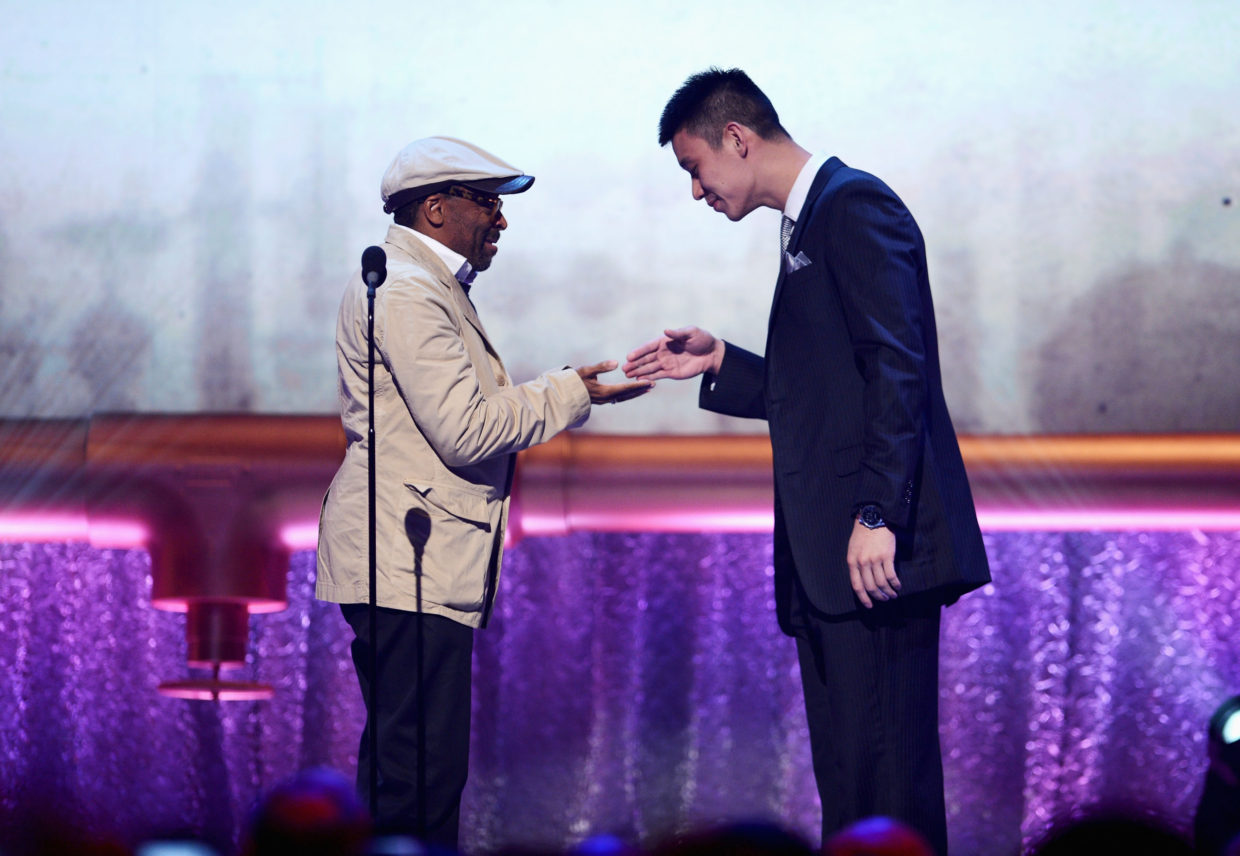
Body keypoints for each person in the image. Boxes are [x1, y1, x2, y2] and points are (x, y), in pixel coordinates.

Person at [624, 68, 991, 854]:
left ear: (738, 139)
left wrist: (875, 514)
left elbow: (899, 369)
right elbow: (829, 390)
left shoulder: (854, 207)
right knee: (855, 783)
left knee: (887, 787)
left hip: (872, 552)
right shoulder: (810, 220)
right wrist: (723, 359)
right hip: (835, 560)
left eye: (694, 168)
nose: (695, 191)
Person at [316, 136, 651, 849]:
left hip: (415, 556)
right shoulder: (406, 293)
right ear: (436, 210)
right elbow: (465, 432)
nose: (501, 221)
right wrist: (569, 390)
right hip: (404, 559)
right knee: (415, 774)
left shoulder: (424, 287)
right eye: (488, 205)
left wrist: (571, 392)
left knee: (419, 769)